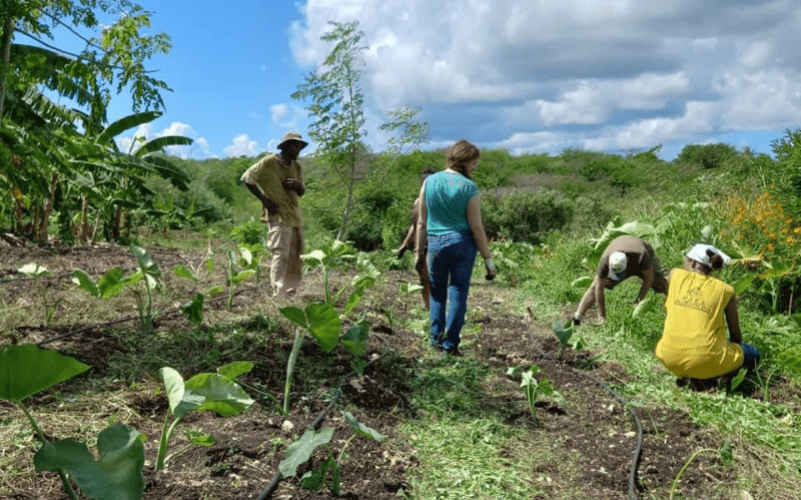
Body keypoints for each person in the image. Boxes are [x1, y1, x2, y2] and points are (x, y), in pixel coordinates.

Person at [414, 140, 496, 355]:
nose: (475, 167)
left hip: (435, 244)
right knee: (458, 293)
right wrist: (488, 260)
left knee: (437, 294)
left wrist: (417, 251)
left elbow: (421, 223)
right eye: (474, 163)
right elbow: (476, 228)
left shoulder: (429, 182)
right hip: (461, 244)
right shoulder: (469, 187)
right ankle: (451, 346)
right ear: (465, 161)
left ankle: (436, 341)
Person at [655, 244, 760, 385]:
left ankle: (693, 374)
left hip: (668, 356)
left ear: (692, 263)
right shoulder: (725, 290)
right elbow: (735, 335)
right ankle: (718, 378)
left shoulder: (675, 275)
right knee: (753, 352)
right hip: (707, 361)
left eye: (685, 260)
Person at [240, 131, 308, 300]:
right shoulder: (269, 162)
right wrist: (264, 200)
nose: (298, 151)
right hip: (277, 215)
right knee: (281, 253)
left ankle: (290, 291)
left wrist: (298, 185)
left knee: (296, 254)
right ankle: (278, 294)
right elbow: (247, 178)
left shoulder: (296, 167)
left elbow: (302, 192)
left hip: (294, 215)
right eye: (295, 146)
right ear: (286, 146)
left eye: (300, 147)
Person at [573, 235, 668, 326]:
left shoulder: (641, 255)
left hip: (640, 252)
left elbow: (649, 277)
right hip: (620, 249)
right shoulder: (605, 262)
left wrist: (638, 300)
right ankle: (577, 319)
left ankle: (676, 307)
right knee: (594, 287)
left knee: (661, 282)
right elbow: (598, 289)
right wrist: (601, 316)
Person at [396, 166, 437, 310]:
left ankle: (438, 309)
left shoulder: (437, 203)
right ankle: (427, 307)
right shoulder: (417, 202)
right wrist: (405, 244)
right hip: (420, 245)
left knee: (435, 278)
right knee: (423, 279)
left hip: (434, 244)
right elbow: (415, 225)